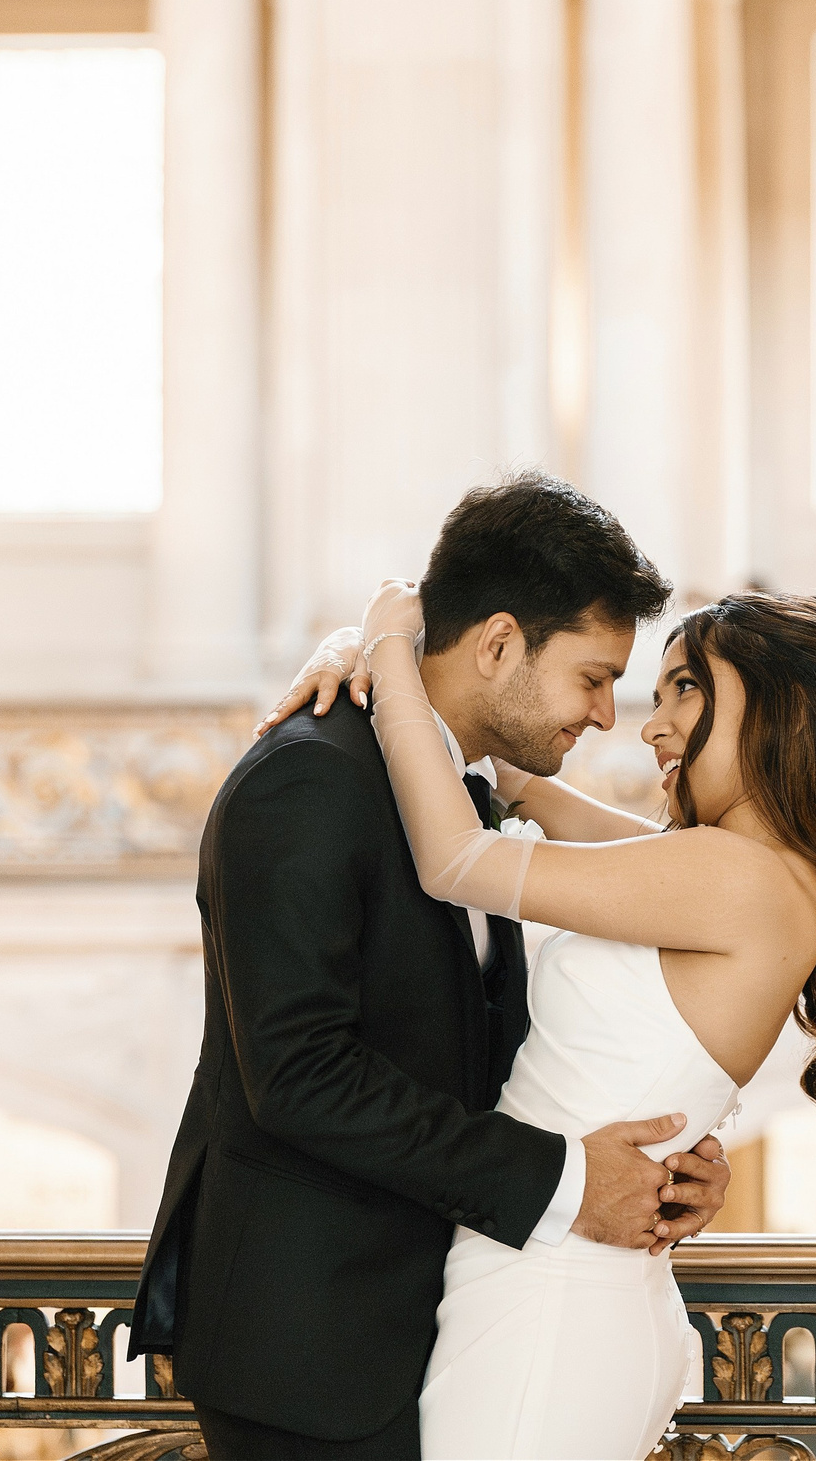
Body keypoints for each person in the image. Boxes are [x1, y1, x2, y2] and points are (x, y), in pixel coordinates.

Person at [133, 473, 735, 1461]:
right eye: (592, 676)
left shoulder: (467, 794)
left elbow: (468, 1053)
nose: (604, 716)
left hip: (452, 1321)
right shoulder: (308, 780)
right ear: (499, 643)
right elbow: (298, 1075)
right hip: (314, 1348)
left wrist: (657, 1167)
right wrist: (567, 1179)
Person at [267, 572, 816, 1460]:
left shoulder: (734, 878)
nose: (652, 723)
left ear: (784, 710)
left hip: (555, 1302)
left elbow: (458, 857)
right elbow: (508, 776)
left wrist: (388, 643)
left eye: (686, 688)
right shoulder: (729, 867)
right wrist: (355, 657)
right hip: (566, 1287)